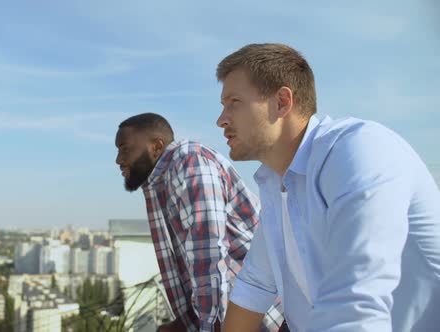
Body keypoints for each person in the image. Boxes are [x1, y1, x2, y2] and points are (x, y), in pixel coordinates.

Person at [216, 43, 440, 332]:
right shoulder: (276, 184)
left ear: (283, 102)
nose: (221, 119)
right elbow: (253, 286)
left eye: (233, 102)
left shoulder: (360, 149)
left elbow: (354, 310)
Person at [115, 113, 283, 332]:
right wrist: (184, 324)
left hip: (263, 318)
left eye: (125, 149)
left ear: (156, 146)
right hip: (244, 316)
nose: (119, 159)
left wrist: (207, 327)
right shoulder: (167, 178)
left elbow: (209, 258)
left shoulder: (189, 163)